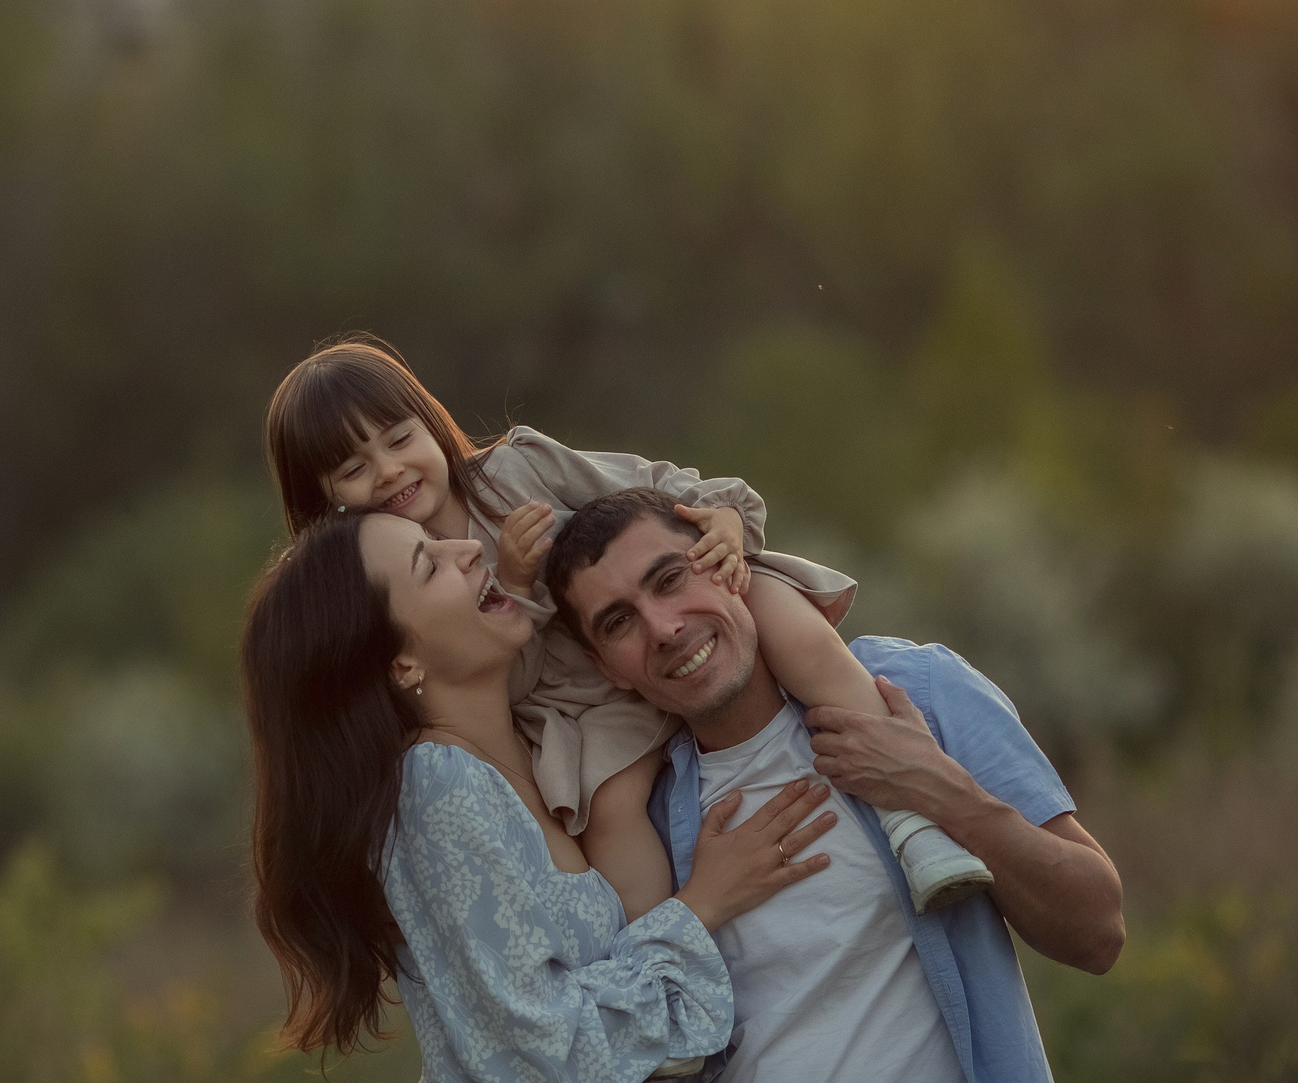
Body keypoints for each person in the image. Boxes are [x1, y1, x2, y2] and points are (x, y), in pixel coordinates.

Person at [240, 510, 839, 1083]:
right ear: (400, 662)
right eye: (428, 563)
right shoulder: (438, 790)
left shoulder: (527, 766)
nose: (469, 547)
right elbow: (539, 1050)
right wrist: (703, 907)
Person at [544, 487, 1127, 1083]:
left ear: (725, 564)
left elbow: (1096, 926)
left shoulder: (917, 692)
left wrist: (945, 795)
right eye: (619, 621)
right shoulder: (629, 806)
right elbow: (597, 1029)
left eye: (670, 579)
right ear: (604, 664)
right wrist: (702, 904)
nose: (664, 626)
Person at [264, 335, 994, 921]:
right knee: (612, 812)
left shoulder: (515, 471)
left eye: (397, 437)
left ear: (430, 420)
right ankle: (668, 969)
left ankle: (913, 824)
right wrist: (514, 585)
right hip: (576, 709)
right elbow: (494, 682)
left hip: (662, 623)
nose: (390, 471)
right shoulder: (383, 603)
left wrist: (722, 518)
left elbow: (651, 492)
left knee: (779, 613)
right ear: (327, 506)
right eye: (354, 470)